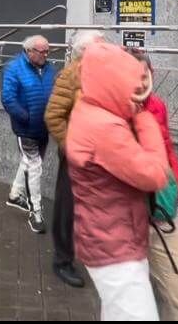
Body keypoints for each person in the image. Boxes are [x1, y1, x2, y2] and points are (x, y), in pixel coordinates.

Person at [67, 42, 170, 321]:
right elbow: (155, 174)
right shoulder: (105, 126)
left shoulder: (92, 110)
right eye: (129, 79)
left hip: (108, 238)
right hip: (114, 245)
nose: (136, 88)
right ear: (112, 80)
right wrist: (145, 120)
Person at [133, 52, 178, 321]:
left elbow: (166, 146)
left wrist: (176, 179)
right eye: (130, 76)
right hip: (125, 220)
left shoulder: (157, 106)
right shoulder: (105, 113)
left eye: (144, 75)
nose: (138, 83)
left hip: (162, 212)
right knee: (130, 303)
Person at [44, 30, 106, 288]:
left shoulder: (105, 74)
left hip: (102, 154)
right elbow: (54, 115)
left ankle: (96, 254)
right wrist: (71, 146)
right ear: (84, 51)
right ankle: (62, 260)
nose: (105, 50)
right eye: (99, 46)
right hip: (76, 154)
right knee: (68, 208)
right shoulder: (70, 75)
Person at [1, 35, 58, 234]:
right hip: (26, 128)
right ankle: (36, 211)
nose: (46, 54)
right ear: (29, 51)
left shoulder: (50, 69)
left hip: (45, 127)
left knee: (29, 162)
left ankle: (15, 195)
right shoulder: (14, 68)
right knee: (34, 167)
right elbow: (8, 98)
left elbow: (57, 92)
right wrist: (25, 117)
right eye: (42, 51)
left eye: (47, 51)